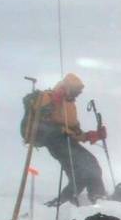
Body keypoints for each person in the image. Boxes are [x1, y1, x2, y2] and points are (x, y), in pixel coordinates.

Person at [34, 73, 108, 206]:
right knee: (88, 166)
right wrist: (54, 102)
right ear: (67, 87)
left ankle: (64, 201)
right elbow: (40, 116)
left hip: (67, 140)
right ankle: (98, 197)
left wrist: (93, 135)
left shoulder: (70, 104)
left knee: (82, 173)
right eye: (75, 91)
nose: (76, 95)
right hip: (55, 140)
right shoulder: (48, 96)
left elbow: (75, 131)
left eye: (78, 92)